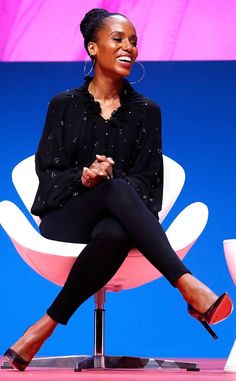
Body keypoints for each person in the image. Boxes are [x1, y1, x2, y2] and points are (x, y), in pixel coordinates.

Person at [4, 8, 233, 371]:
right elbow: (46, 177)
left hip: (121, 222)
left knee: (115, 224)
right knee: (116, 193)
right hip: (65, 218)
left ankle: (41, 329)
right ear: (93, 48)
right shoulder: (63, 105)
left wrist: (113, 184)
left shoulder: (147, 111)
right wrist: (84, 178)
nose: (129, 47)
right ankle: (187, 285)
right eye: (118, 39)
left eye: (134, 41)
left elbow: (150, 187)